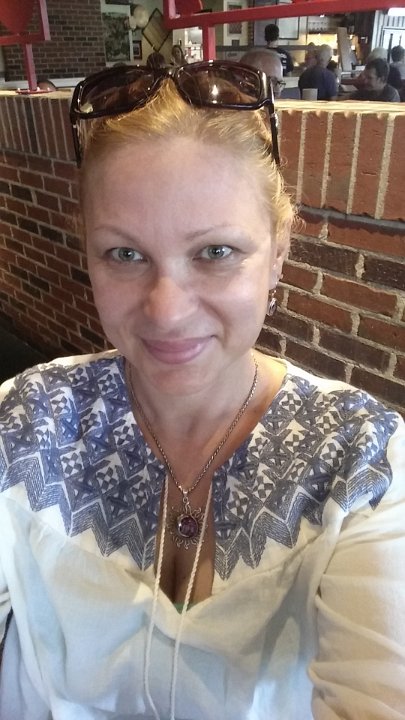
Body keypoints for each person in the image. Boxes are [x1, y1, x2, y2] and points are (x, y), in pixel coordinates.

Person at [1, 60, 405, 720]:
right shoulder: (27, 421)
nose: (166, 311)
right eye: (125, 254)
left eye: (215, 252)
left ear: (278, 253)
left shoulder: (363, 462)